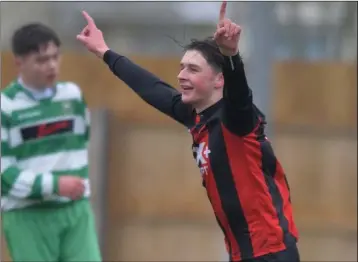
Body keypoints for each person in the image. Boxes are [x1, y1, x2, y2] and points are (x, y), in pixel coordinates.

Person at [77, 2, 300, 262]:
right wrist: (104, 52)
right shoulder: (197, 115)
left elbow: (240, 94)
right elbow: (152, 88)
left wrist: (230, 56)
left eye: (193, 69)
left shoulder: (236, 119)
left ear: (219, 80)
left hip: (270, 252)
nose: (182, 75)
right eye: (182, 67)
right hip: (244, 253)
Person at [1, 23, 101, 262]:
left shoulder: (73, 96)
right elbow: (3, 173)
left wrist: (69, 187)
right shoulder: (6, 107)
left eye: (55, 57)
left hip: (75, 211)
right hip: (28, 216)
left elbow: (80, 143)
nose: (52, 65)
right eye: (41, 60)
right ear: (19, 62)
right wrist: (54, 184)